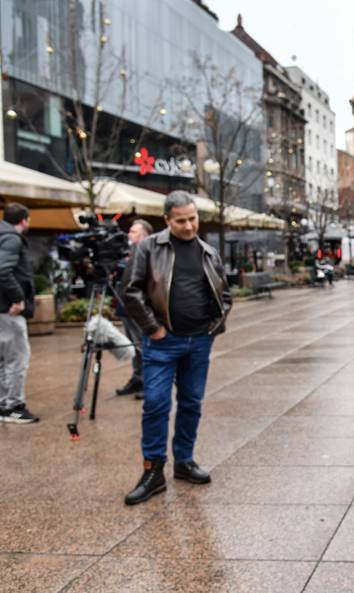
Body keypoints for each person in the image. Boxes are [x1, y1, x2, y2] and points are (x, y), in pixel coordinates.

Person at [121, 191, 231, 505]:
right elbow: (130, 291)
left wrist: (212, 328)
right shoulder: (148, 247)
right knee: (155, 403)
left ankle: (184, 461)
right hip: (162, 342)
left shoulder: (208, 252)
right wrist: (153, 329)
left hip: (199, 341)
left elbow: (224, 295)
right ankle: (153, 470)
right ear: (167, 220)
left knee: (191, 403)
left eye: (192, 218)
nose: (188, 226)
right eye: (180, 220)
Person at [0, 203, 38, 424]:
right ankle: (13, 406)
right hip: (9, 309)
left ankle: (4, 404)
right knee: (17, 358)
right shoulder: (12, 238)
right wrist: (18, 299)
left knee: (4, 359)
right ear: (24, 220)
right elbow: (3, 270)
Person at [115, 219, 154, 399]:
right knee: (132, 345)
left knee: (141, 345)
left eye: (134, 231)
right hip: (125, 306)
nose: (129, 234)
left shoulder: (147, 253)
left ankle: (148, 381)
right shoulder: (130, 252)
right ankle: (137, 378)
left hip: (137, 307)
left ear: (144, 235)